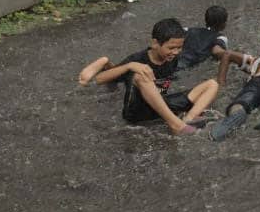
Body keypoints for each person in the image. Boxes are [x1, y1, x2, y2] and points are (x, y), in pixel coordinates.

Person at [77, 18, 220, 136]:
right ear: (155, 43)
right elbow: (100, 79)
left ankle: (189, 119)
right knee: (141, 74)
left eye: (179, 48)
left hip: (160, 105)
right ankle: (176, 125)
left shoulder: (172, 58)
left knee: (212, 84)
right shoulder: (138, 60)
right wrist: (129, 66)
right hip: (138, 112)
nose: (176, 52)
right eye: (171, 48)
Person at [178, 5, 250, 84]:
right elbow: (217, 52)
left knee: (165, 85)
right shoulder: (220, 38)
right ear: (223, 24)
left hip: (175, 62)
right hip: (187, 68)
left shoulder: (188, 30)